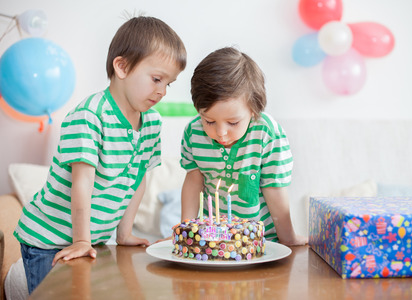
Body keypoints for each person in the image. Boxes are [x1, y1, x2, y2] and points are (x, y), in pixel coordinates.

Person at [14, 16, 186, 294]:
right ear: (122, 66)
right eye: (156, 79)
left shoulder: (151, 122)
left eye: (169, 83)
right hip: (49, 239)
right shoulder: (90, 116)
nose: (162, 91)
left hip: (94, 240)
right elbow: (82, 182)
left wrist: (124, 233)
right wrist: (82, 240)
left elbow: (138, 178)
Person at [180, 47, 307, 246]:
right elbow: (193, 181)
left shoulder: (266, 133)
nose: (220, 132)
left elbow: (274, 188)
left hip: (263, 242)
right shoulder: (193, 132)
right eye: (209, 121)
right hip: (214, 243)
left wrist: (288, 238)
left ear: (253, 111)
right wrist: (186, 230)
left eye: (233, 123)